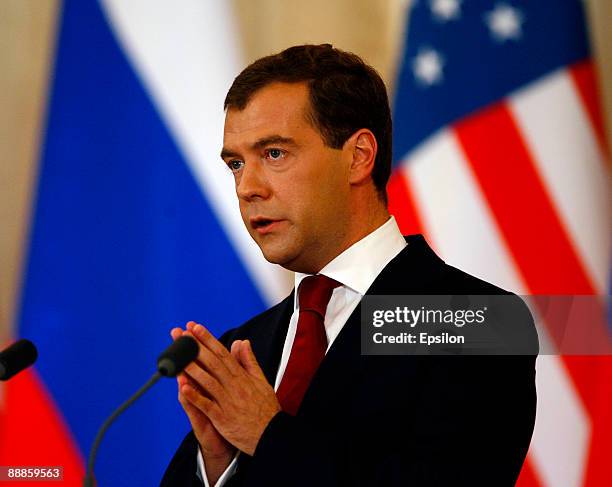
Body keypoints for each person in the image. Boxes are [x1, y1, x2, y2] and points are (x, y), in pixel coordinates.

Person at [161, 44, 537, 486]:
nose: (247, 187)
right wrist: (219, 464)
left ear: (359, 155)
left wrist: (268, 435)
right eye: (237, 164)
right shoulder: (243, 348)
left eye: (275, 154)